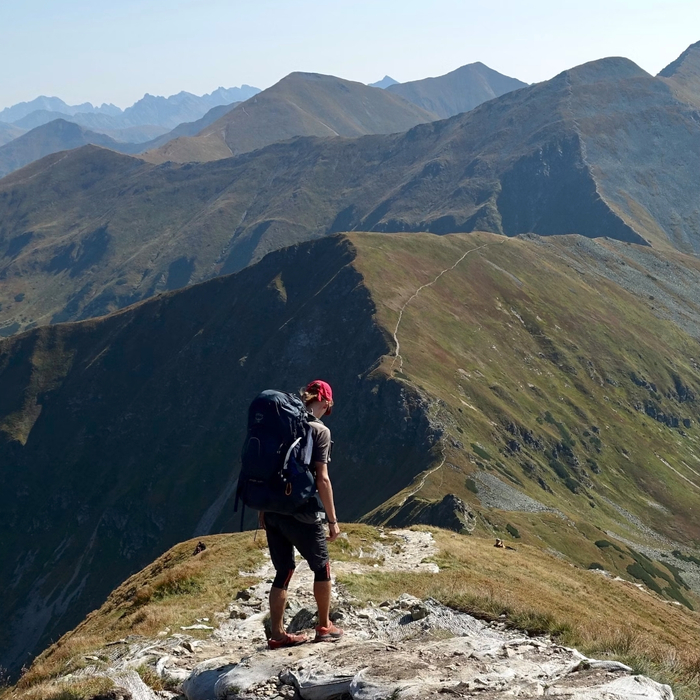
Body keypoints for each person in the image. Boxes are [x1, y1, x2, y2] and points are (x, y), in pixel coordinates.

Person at [259, 379, 344, 649]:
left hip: (272, 508)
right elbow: (323, 479)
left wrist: (264, 508)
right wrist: (332, 521)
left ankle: (277, 634)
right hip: (301, 511)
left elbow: (268, 468)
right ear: (326, 403)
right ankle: (324, 625)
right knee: (322, 567)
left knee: (283, 570)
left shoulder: (281, 425)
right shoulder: (320, 431)